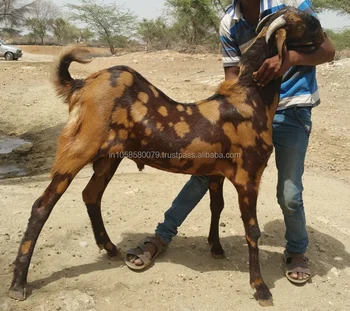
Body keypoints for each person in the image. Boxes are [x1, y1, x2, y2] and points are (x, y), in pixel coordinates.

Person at [125, 0, 335, 284]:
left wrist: (289, 60)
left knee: (289, 191)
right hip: (247, 113)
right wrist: (217, 122)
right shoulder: (229, 22)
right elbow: (232, 78)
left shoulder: (294, 6)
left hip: (292, 111)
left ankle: (296, 251)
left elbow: (328, 51)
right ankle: (162, 236)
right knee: (202, 173)